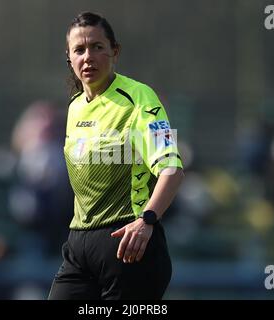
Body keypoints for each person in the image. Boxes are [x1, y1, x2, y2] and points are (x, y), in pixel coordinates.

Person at [48, 11, 184, 300]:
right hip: (78, 247)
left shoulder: (140, 98)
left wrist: (147, 220)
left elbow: (172, 168)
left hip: (129, 244)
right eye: (79, 50)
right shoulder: (74, 108)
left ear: (114, 51)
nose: (88, 57)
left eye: (97, 47)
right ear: (69, 58)